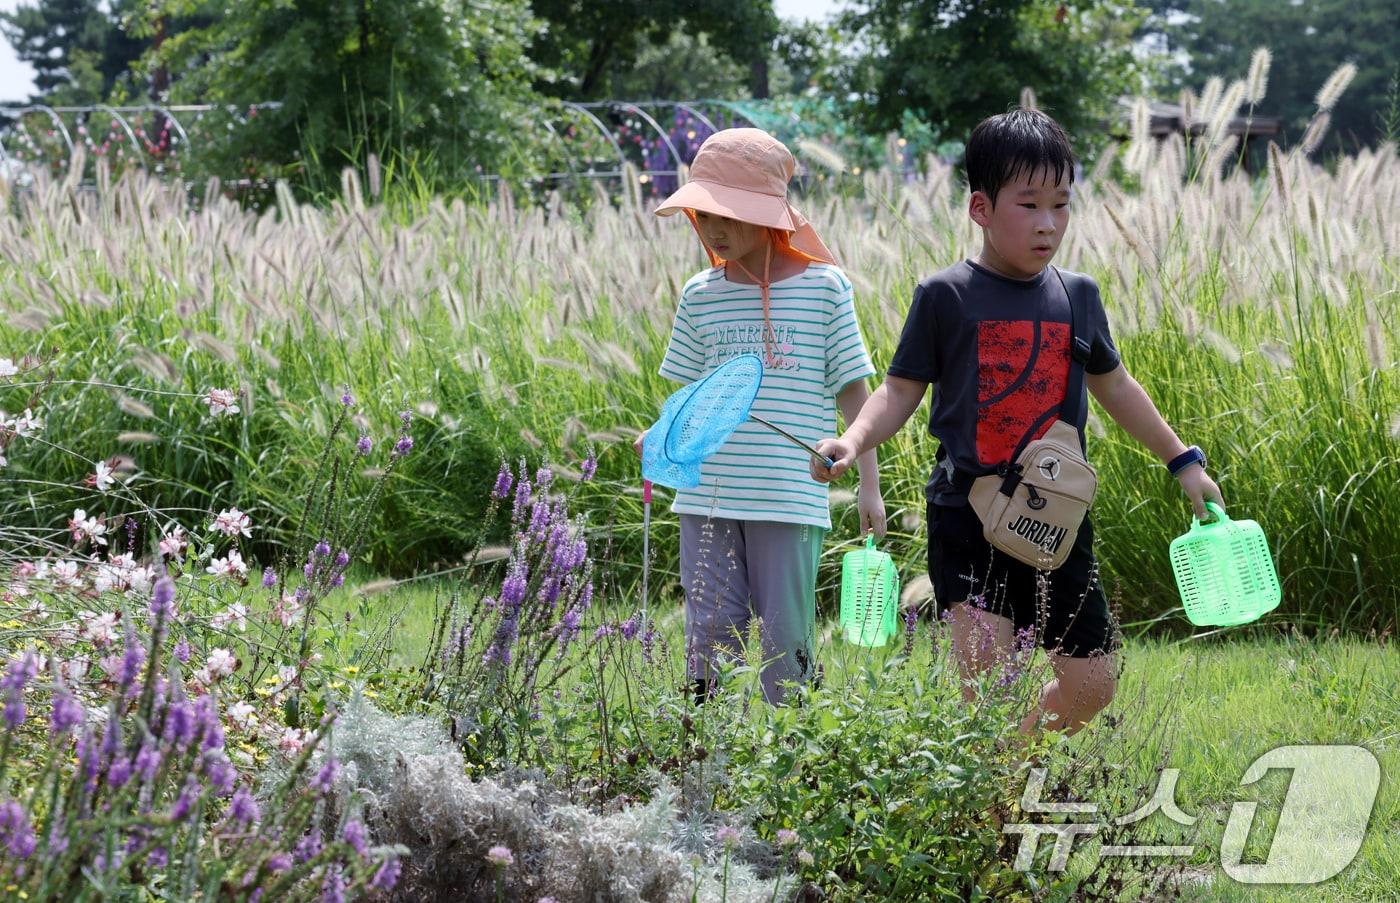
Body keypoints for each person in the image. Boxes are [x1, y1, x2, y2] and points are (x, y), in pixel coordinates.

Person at [812, 110, 1225, 737]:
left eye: (1061, 205)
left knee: (1095, 681)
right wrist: (852, 440)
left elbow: (1115, 384)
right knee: (986, 680)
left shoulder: (1077, 295)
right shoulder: (944, 295)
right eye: (1029, 205)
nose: (1049, 224)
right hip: (968, 513)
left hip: (1056, 513)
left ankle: (1013, 757)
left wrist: (1182, 460)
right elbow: (898, 390)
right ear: (980, 207)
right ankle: (996, 809)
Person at [633, 127, 885, 704]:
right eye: (705, 213)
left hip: (788, 497)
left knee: (784, 636)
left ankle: (788, 761)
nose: (715, 229)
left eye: (731, 215)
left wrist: (869, 488)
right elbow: (692, 397)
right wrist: (662, 432)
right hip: (707, 496)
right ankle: (707, 756)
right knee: (710, 627)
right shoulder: (700, 293)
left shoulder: (826, 289)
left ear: (773, 216)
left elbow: (856, 395)